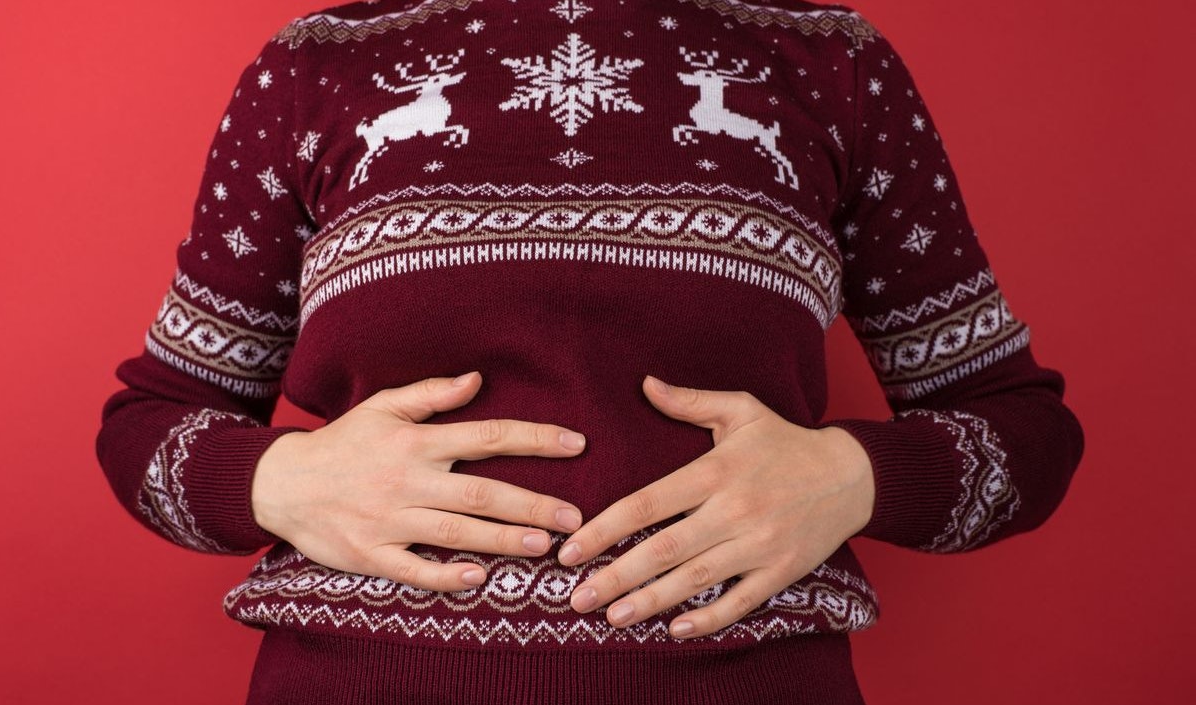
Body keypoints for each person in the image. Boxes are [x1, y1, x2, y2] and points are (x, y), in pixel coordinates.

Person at [96, 1, 1085, 703]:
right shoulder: (317, 66)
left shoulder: (832, 63)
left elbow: (1026, 433)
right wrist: (278, 481)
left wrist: (858, 476)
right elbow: (146, 430)